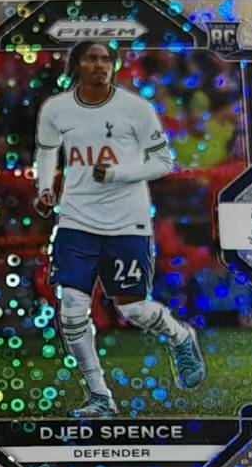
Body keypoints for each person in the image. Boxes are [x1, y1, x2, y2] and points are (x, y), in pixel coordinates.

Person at [32, 40, 206, 415]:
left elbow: (164, 162)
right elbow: (46, 152)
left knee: (133, 310)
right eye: (91, 58)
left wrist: (118, 174)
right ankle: (100, 396)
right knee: (71, 311)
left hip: (127, 222)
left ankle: (180, 337)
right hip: (75, 221)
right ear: (77, 65)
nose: (100, 65)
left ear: (113, 65)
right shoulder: (56, 109)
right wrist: (44, 188)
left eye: (106, 59)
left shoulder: (136, 109)